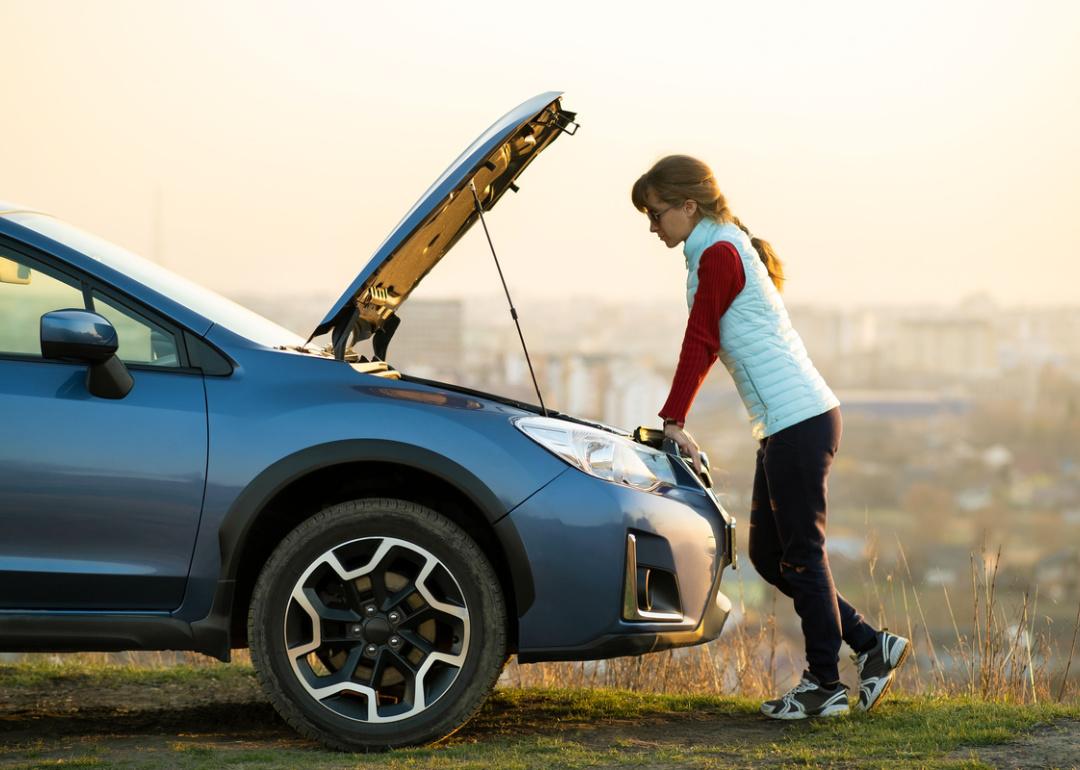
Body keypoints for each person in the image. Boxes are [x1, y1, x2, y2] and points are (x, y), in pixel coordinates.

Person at [632, 155, 910, 719]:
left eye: (656, 213)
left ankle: (824, 684)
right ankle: (870, 644)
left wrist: (673, 418)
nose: (652, 226)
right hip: (789, 425)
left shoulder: (718, 253)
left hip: (798, 423)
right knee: (767, 554)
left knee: (803, 554)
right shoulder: (720, 247)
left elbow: (701, 340)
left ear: (690, 205)